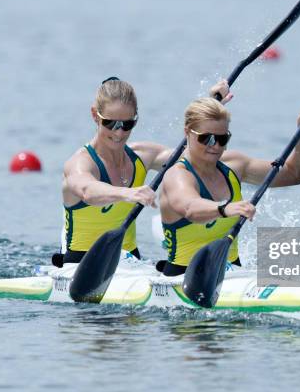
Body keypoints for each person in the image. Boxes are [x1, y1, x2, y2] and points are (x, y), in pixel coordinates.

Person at [58, 77, 231, 265]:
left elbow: (196, 153)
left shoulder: (143, 155)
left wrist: (210, 112)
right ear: (95, 115)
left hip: (129, 262)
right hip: (79, 265)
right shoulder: (80, 162)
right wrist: (128, 193)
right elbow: (88, 191)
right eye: (111, 123)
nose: (119, 133)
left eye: (127, 124)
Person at [158, 96, 300, 275]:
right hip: (184, 276)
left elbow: (295, 174)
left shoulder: (234, 165)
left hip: (234, 275)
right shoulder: (177, 175)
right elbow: (190, 208)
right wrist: (226, 208)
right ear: (187, 133)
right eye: (206, 139)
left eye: (222, 138)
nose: (215, 145)